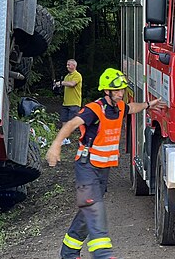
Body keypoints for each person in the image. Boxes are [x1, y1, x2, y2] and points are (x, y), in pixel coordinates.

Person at [46, 68, 164, 259]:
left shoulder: (119, 107)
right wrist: (55, 146)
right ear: (106, 91)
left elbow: (132, 108)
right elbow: (70, 125)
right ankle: (102, 254)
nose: (121, 93)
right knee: (93, 206)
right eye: (116, 90)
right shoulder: (94, 109)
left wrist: (149, 104)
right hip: (87, 167)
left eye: (122, 90)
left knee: (87, 212)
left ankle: (68, 252)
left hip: (102, 171)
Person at [55, 59, 83, 144]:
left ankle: (75, 137)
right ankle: (65, 138)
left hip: (74, 103)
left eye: (69, 65)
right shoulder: (66, 76)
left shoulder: (77, 75)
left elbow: (72, 84)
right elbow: (65, 85)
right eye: (67, 65)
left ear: (74, 66)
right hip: (66, 102)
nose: (67, 66)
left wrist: (61, 83)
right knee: (64, 120)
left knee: (71, 122)